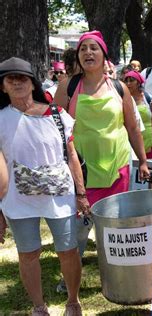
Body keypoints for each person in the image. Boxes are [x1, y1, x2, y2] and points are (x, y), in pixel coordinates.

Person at [0, 57, 89, 315]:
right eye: (10, 79)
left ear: (32, 83)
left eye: (22, 78)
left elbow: (72, 156)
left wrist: (81, 194)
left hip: (59, 196)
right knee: (28, 253)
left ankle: (73, 301)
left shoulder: (57, 115)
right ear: (3, 87)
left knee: (68, 250)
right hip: (17, 200)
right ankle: (39, 307)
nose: (17, 83)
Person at [53, 30, 150, 207]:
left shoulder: (120, 88)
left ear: (104, 55)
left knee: (113, 227)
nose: (88, 52)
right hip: (80, 170)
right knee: (80, 229)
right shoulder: (67, 86)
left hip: (118, 168)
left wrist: (143, 161)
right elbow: (54, 128)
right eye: (83, 49)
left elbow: (133, 128)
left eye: (93, 48)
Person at [123, 70, 152, 158]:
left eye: (131, 80)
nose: (128, 83)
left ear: (138, 83)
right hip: (132, 142)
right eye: (126, 81)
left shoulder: (148, 98)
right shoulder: (122, 99)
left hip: (151, 141)